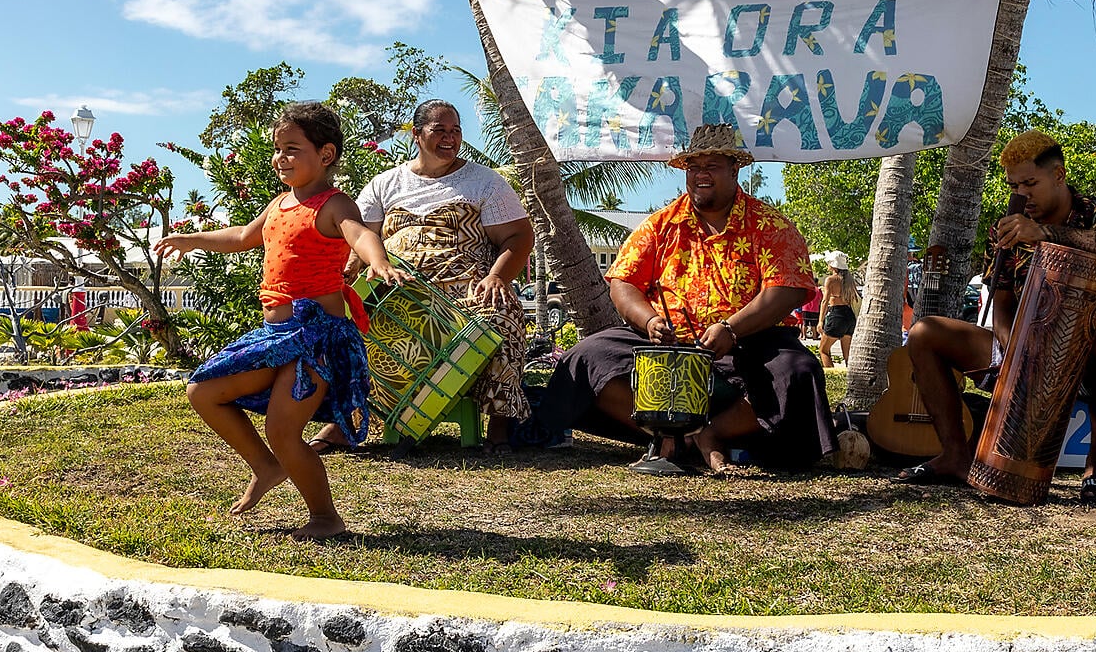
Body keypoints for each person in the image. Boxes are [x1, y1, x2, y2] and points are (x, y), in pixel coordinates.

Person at [154, 102, 404, 539]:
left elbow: (360, 234)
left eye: (292, 149)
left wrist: (377, 260)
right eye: (277, 149)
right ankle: (266, 467)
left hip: (315, 339)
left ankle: (326, 518)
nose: (280, 158)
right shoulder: (280, 203)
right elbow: (241, 237)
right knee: (203, 391)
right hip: (275, 336)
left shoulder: (333, 203)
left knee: (283, 430)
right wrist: (192, 238)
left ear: (325, 155)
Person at [530, 123, 835, 474]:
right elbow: (623, 283)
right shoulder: (661, 224)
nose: (700, 175)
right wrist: (649, 320)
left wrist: (731, 329)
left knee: (798, 371)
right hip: (668, 345)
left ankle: (707, 434)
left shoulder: (770, 224)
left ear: (735, 169)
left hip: (751, 341)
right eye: (693, 167)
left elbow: (788, 289)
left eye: (711, 166)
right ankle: (669, 433)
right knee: (587, 356)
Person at [894, 130, 1096, 504]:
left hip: (1093, 348)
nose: (1021, 193)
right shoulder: (1005, 227)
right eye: (1014, 184)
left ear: (1058, 175)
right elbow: (1002, 299)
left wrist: (1046, 234)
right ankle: (955, 455)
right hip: (1023, 347)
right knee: (923, 332)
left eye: (1031, 182)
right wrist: (1014, 347)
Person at [312, 99, 536, 453]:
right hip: (396, 293)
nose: (450, 138)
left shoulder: (483, 182)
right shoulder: (385, 184)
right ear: (417, 134)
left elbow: (519, 236)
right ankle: (346, 421)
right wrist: (348, 274)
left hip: (465, 293)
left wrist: (497, 277)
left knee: (501, 315)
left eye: (456, 131)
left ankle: (501, 426)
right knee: (339, 327)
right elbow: (359, 239)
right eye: (440, 130)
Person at [817, 250, 859, 368]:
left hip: (837, 315)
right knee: (847, 356)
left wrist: (820, 321)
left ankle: (831, 379)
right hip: (849, 316)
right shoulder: (850, 280)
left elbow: (825, 301)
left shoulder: (830, 280)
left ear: (833, 264)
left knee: (823, 350)